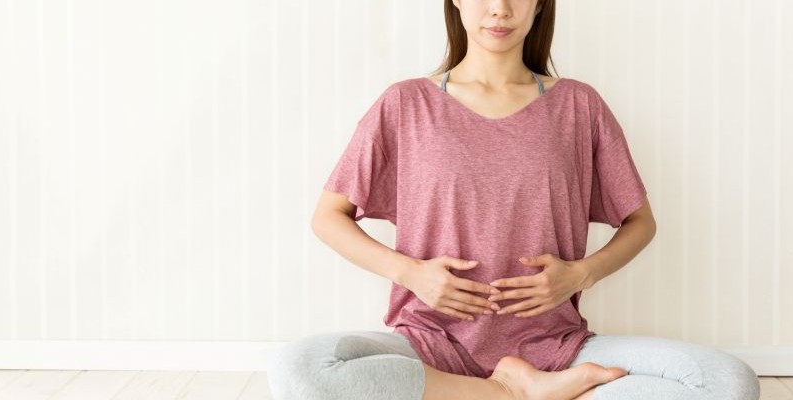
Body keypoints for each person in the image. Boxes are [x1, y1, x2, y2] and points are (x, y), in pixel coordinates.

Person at [267, 0, 761, 399]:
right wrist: (411, 273)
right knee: (300, 368)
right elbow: (329, 216)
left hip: (554, 346)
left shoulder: (577, 105)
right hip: (428, 344)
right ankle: (513, 394)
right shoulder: (405, 103)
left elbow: (640, 222)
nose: (499, 9)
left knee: (725, 382)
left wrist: (580, 273)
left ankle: (510, 390)